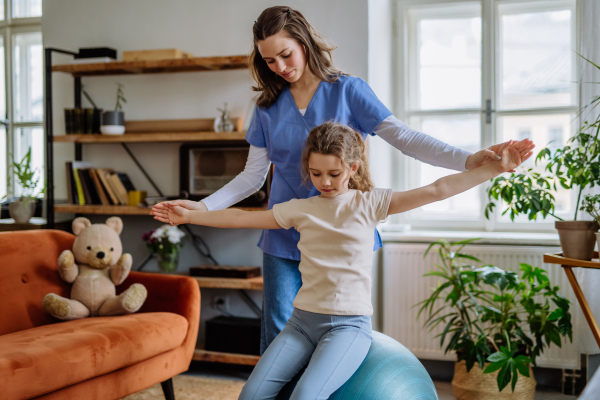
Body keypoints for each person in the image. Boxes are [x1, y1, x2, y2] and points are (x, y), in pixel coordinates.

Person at [151, 6, 535, 355]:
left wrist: (467, 159)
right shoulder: (267, 107)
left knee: (336, 336)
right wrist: (203, 207)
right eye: (269, 60)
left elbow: (406, 139)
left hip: (343, 232)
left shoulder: (350, 91)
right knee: (281, 337)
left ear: (303, 42)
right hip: (284, 235)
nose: (280, 66)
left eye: (286, 54)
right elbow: (251, 177)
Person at [161, 122, 531, 400]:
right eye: (317, 173)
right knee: (251, 395)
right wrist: (193, 213)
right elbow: (241, 217)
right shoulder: (300, 209)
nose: (324, 181)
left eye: (334, 174)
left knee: (305, 396)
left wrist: (494, 169)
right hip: (301, 323)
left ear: (353, 168)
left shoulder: (369, 204)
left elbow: (437, 190)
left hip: (348, 327)